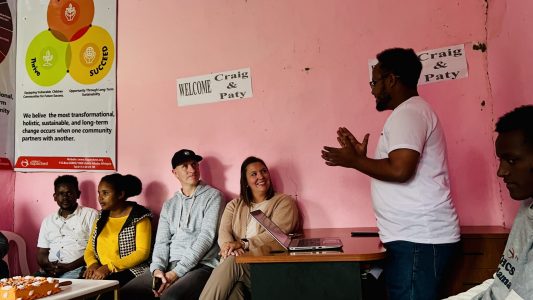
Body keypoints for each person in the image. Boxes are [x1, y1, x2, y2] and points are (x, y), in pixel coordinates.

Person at [321, 47, 460, 299]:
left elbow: (400, 170)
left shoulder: (409, 113)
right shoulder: (411, 112)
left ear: (392, 79)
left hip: (418, 239)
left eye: (374, 82)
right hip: (414, 239)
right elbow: (397, 167)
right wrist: (362, 160)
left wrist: (354, 162)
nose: (372, 89)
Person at [446, 105, 533, 300]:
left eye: (511, 160)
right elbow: (502, 281)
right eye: (501, 160)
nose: (501, 172)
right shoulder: (528, 205)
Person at [121, 149, 224, 300]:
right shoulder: (169, 205)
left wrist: (177, 273)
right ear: (175, 173)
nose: (192, 169)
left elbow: (206, 237)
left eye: (194, 164)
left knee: (170, 297)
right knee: (124, 294)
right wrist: (157, 270)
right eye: (185, 166)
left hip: (201, 265)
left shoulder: (214, 196)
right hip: (169, 265)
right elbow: (162, 241)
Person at [200, 156, 300, 300]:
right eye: (254, 174)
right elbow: (224, 233)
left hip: (267, 268)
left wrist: (242, 244)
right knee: (233, 291)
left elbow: (278, 236)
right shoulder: (234, 205)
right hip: (239, 269)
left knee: (234, 262)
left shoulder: (284, 202)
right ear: (245, 181)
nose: (260, 176)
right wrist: (231, 248)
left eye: (264, 171)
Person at [84, 173, 152, 292]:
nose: (100, 198)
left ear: (120, 194)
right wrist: (92, 264)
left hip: (130, 270)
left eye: (105, 193)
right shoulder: (101, 216)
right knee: (79, 292)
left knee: (104, 294)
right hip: (101, 270)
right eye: (99, 193)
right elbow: (89, 249)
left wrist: (109, 267)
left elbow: (142, 253)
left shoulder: (140, 216)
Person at [36, 175, 98, 279]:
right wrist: (48, 267)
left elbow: (96, 249)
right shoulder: (48, 221)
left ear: (77, 194)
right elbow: (42, 253)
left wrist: (68, 267)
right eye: (61, 194)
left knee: (63, 290)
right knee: (28, 286)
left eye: (69, 193)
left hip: (78, 268)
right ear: (55, 197)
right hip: (50, 271)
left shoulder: (91, 215)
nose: (65, 197)